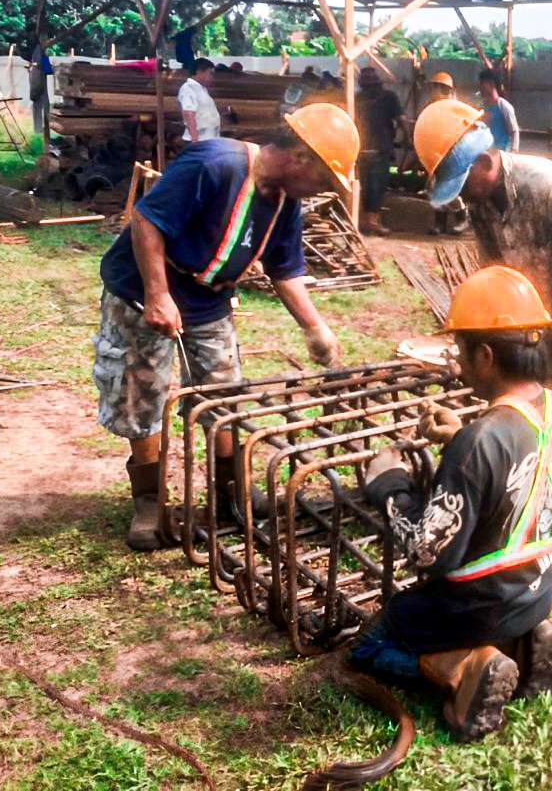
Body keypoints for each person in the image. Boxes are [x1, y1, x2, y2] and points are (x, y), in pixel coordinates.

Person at [94, 103, 360, 552]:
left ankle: (230, 493)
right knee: (142, 390)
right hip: (142, 289)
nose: (321, 190)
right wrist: (158, 294)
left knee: (224, 393)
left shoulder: (284, 203)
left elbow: (285, 270)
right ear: (301, 157)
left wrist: (315, 328)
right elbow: (147, 220)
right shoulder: (214, 164)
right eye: (323, 179)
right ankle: (149, 501)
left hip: (208, 298)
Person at [351, 265, 552, 741]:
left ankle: (466, 666)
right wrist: (462, 434)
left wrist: (390, 486)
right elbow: (537, 477)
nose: (458, 363)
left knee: (371, 644)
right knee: (500, 599)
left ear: (485, 354)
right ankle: (525, 641)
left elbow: (428, 554)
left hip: (476, 606)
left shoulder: (481, 442)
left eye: (460, 350)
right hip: (537, 591)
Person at [413, 100, 552, 549]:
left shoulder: (547, 184)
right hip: (549, 300)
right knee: (541, 386)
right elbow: (494, 271)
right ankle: (536, 471)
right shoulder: (480, 203)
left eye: (464, 183)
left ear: (484, 161)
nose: (463, 195)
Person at [355, 65, 403, 236]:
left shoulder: (355, 99)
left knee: (363, 185)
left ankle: (364, 220)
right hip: (380, 148)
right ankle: (372, 222)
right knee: (377, 186)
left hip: (360, 148)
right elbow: (401, 120)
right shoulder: (389, 97)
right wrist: (408, 138)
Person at [423, 71, 466, 237]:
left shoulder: (455, 109)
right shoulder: (431, 108)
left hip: (452, 155)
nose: (431, 92)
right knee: (435, 190)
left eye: (434, 88)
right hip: (436, 155)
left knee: (452, 190)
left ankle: (462, 219)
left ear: (443, 89)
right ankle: (439, 224)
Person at [178, 58, 221, 144]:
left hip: (208, 138)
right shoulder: (188, 88)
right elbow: (189, 114)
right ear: (200, 72)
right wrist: (195, 141)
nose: (212, 77)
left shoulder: (201, 89)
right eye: (210, 73)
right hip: (199, 140)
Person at [478, 68, 519, 152]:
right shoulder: (482, 108)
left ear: (491, 84)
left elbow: (514, 131)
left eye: (482, 84)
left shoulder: (503, 106)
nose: (480, 87)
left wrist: (514, 151)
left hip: (503, 154)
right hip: (487, 154)